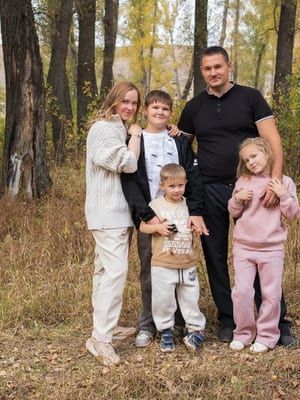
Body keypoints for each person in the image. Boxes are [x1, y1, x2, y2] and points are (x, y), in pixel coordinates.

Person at [178, 45, 297, 347]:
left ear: (229, 66)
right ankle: (230, 320)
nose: (213, 73)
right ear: (201, 71)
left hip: (252, 189)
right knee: (216, 257)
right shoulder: (193, 108)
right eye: (207, 68)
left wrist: (274, 182)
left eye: (218, 66)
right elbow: (181, 150)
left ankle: (277, 325)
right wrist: (192, 200)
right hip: (210, 190)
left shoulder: (250, 97)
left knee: (259, 253)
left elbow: (272, 140)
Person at [121, 90, 208, 348]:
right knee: (150, 270)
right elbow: (130, 180)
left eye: (165, 109)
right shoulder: (135, 139)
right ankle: (149, 324)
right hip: (151, 217)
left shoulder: (178, 141)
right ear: (145, 110)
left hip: (179, 215)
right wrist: (147, 215)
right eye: (155, 108)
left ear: (171, 113)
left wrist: (195, 211)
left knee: (179, 267)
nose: (160, 112)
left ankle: (178, 323)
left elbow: (194, 178)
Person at [84, 81, 141, 366]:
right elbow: (127, 163)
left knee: (104, 271)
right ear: (113, 101)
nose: (130, 107)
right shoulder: (103, 128)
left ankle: (106, 326)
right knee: (116, 273)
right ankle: (101, 340)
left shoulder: (118, 128)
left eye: (134, 103)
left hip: (118, 213)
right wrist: (137, 137)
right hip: (107, 214)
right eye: (125, 101)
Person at [227, 138, 300, 353]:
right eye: (246, 160)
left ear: (267, 153)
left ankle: (267, 336)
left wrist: (283, 195)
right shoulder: (243, 181)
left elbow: (293, 214)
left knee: (271, 294)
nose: (251, 162)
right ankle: (243, 333)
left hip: (271, 249)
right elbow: (233, 211)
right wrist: (237, 199)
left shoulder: (284, 182)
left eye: (254, 156)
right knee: (241, 292)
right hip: (244, 247)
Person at [139, 163, 206, 353]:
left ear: (186, 184)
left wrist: (197, 228)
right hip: (163, 262)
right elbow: (143, 227)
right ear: (162, 186)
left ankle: (195, 330)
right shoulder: (156, 205)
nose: (177, 190)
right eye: (172, 186)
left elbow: (195, 223)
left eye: (180, 185)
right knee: (163, 299)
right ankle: (166, 331)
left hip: (187, 261)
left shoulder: (189, 205)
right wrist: (158, 228)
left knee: (190, 297)